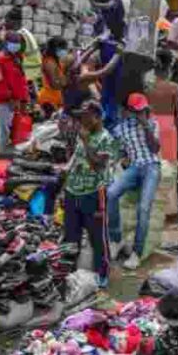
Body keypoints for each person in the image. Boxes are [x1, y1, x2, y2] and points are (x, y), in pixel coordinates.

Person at [106, 93, 160, 271]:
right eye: (137, 111)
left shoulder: (152, 124)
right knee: (111, 193)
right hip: (135, 167)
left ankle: (136, 252)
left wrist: (146, 126)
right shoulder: (121, 129)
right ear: (129, 111)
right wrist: (120, 161)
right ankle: (116, 239)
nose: (141, 113)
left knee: (144, 208)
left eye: (143, 110)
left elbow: (155, 149)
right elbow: (120, 152)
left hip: (152, 166)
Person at [63, 101, 115, 286]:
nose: (82, 120)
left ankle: (102, 274)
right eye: (81, 116)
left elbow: (98, 165)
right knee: (71, 236)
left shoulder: (106, 139)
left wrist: (85, 141)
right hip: (73, 191)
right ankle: (68, 273)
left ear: (98, 117)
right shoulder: (82, 134)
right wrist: (65, 175)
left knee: (97, 237)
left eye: (86, 116)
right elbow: (75, 159)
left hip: (93, 193)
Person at [0, 32, 30, 158]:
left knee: (17, 130)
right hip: (5, 100)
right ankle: (1, 154)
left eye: (17, 43)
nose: (15, 45)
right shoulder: (0, 59)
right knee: (5, 130)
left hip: (18, 100)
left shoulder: (18, 57)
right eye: (13, 43)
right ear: (6, 43)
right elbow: (0, 81)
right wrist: (10, 99)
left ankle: (11, 156)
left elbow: (22, 80)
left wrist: (24, 99)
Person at [146, 50, 178, 164]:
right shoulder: (174, 87)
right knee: (167, 166)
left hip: (150, 128)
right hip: (168, 129)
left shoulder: (147, 86)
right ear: (169, 68)